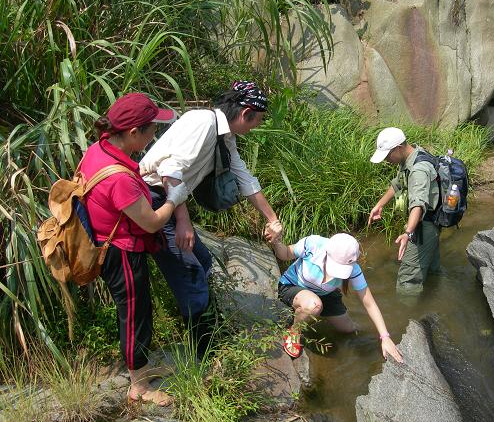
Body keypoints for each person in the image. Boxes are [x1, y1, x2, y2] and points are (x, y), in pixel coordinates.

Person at [139, 81, 282, 358]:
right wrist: (183, 220)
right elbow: (170, 171)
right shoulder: (202, 123)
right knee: (193, 277)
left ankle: (205, 336)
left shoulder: (223, 134)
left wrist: (272, 218)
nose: (257, 126)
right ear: (245, 113)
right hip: (153, 200)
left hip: (168, 199)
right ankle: (202, 357)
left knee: (203, 263)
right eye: (258, 120)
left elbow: (244, 178)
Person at [81, 93, 190, 406]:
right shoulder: (119, 180)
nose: (155, 133)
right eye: (152, 128)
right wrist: (174, 198)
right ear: (133, 133)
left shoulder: (97, 150)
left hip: (105, 241)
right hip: (121, 253)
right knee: (134, 314)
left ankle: (139, 370)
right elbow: (153, 222)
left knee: (136, 310)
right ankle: (138, 388)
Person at [267, 225, 404, 364]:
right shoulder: (313, 245)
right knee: (313, 305)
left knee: (349, 329)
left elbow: (369, 302)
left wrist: (385, 336)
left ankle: (312, 313)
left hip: (325, 294)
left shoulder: (354, 269)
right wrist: (276, 241)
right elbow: (285, 254)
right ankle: (294, 331)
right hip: (292, 286)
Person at [368, 127, 440, 295]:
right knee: (432, 270)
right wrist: (380, 204)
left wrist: (408, 233)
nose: (386, 160)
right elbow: (399, 182)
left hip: (424, 225)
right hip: (431, 221)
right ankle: (437, 300)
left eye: (387, 156)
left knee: (407, 280)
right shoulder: (412, 154)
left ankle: (409, 317)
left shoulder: (418, 169)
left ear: (398, 148)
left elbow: (418, 204)